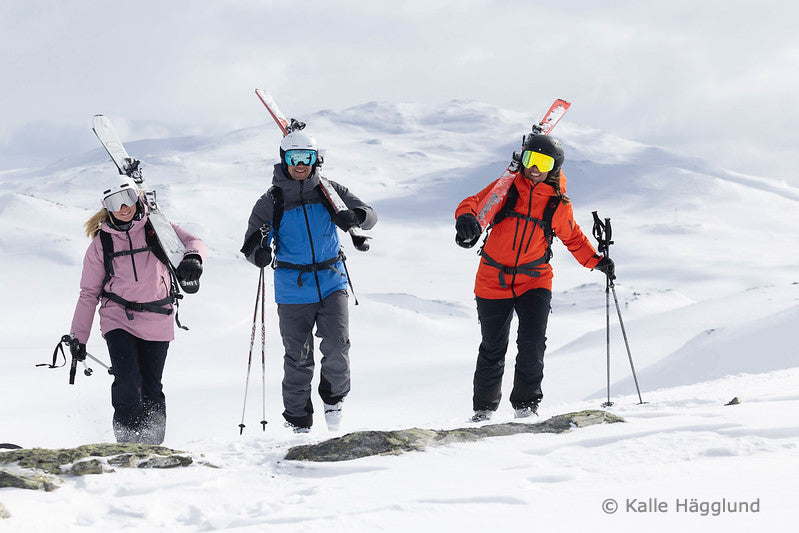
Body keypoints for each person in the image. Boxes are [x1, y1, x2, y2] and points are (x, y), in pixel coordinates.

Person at [454, 134, 614, 422]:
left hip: (534, 280)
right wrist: (465, 218)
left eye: (543, 162)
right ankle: (483, 410)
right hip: (492, 279)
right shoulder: (506, 188)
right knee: (493, 346)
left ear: (554, 167)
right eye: (530, 159)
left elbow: (573, 238)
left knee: (532, 343)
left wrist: (597, 262)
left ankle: (526, 406)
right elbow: (474, 203)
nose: (535, 167)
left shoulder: (558, 204)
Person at [242, 129, 377, 433]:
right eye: (294, 158)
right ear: (283, 159)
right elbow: (250, 244)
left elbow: (370, 215)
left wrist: (353, 216)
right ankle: (299, 422)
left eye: (307, 158)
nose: (300, 164)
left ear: (316, 160)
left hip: (332, 280)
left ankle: (334, 401)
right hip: (293, 288)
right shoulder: (271, 200)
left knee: (337, 345)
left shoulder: (329, 190)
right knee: (298, 359)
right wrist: (259, 252)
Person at [70, 176, 206, 444]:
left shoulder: (157, 227)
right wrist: (78, 337)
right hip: (117, 317)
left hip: (158, 317)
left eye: (128, 199)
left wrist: (194, 258)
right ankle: (128, 443)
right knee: (128, 381)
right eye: (115, 202)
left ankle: (153, 444)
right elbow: (88, 293)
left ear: (138, 198)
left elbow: (194, 241)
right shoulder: (102, 243)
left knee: (151, 387)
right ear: (106, 207)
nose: (123, 207)